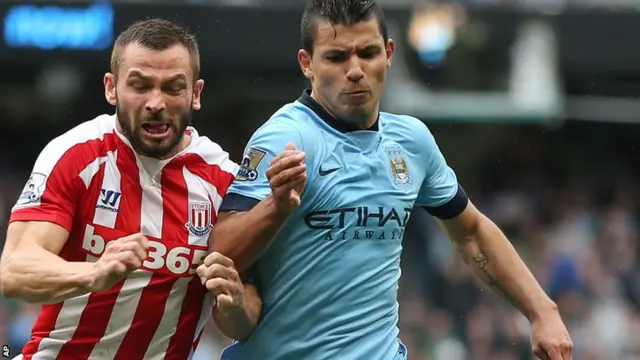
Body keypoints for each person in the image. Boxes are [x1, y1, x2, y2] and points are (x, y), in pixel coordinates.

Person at [201, 1, 574, 359]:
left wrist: (542, 311)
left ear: (389, 53)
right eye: (336, 57)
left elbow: (471, 231)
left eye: (367, 52)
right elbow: (220, 253)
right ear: (307, 64)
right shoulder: (287, 138)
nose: (356, 69)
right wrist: (276, 207)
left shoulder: (411, 141)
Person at [0, 18, 300, 359]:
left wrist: (234, 307)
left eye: (172, 87)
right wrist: (95, 272)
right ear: (111, 88)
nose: (156, 102)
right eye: (140, 86)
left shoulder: (224, 183)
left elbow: (242, 319)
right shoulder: (75, 155)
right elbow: (15, 271)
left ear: (195, 93)